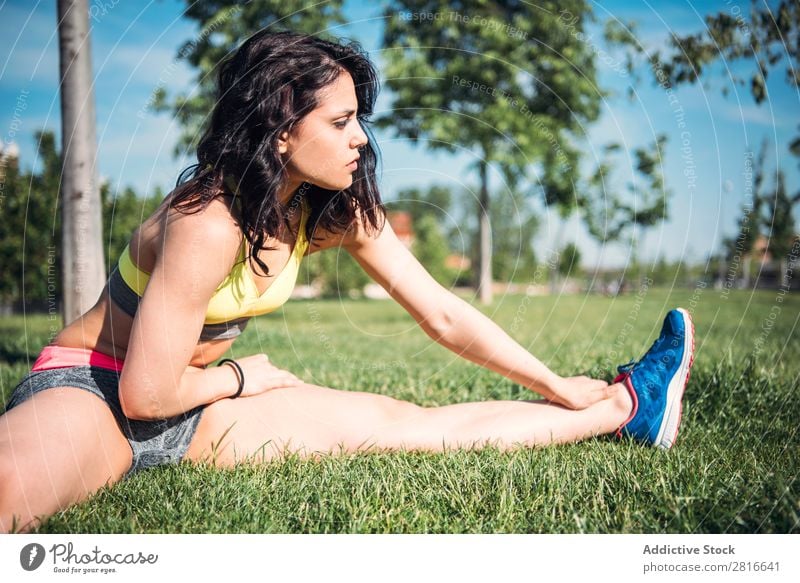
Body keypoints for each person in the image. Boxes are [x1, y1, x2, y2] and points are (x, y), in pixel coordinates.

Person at [0, 31, 695, 534]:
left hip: (194, 409)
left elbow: (444, 313)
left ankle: (626, 407)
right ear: (278, 130)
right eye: (341, 120)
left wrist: (555, 382)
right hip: (94, 387)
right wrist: (243, 377)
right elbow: (142, 391)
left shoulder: (325, 210)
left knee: (406, 426)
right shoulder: (207, 220)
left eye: (358, 116)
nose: (361, 136)